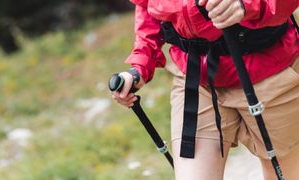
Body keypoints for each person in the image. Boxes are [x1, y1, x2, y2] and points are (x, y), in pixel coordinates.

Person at [111, 0, 299, 179]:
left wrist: (247, 4)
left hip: (269, 72)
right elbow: (148, 8)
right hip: (196, 81)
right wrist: (140, 65)